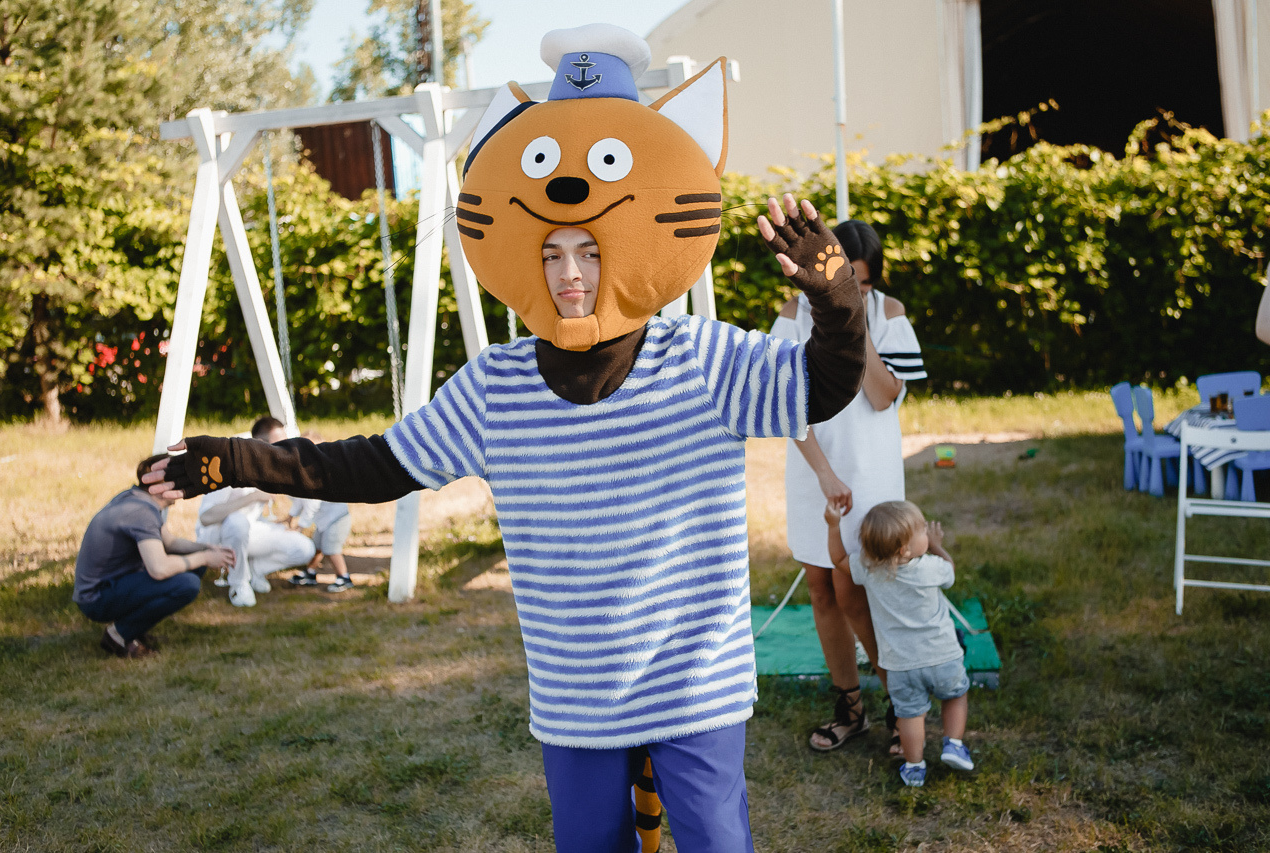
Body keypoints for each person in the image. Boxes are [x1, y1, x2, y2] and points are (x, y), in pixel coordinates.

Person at [145, 25, 867, 853]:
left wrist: (836, 295)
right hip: (578, 693)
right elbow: (375, 463)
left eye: (591, 250)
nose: (569, 273)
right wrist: (227, 457)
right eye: (553, 250)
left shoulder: (699, 358)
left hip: (693, 680)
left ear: (627, 244)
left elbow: (820, 385)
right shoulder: (500, 383)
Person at [770, 219, 927, 753]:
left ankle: (900, 701)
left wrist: (849, 323)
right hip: (817, 469)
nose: (854, 293)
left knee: (859, 588)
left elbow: (884, 396)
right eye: (844, 282)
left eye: (861, 285)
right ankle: (850, 707)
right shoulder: (791, 318)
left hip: (872, 471)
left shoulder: (889, 315)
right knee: (821, 587)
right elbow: (787, 407)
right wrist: (822, 472)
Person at [834, 500, 974, 787]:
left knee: (909, 715)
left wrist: (831, 524)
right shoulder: (930, 568)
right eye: (923, 530)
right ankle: (954, 744)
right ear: (904, 550)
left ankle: (913, 765)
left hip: (899, 666)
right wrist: (937, 545)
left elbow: (838, 560)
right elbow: (951, 570)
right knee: (955, 695)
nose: (927, 532)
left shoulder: (869, 570)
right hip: (943, 656)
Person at [74, 454, 236, 658]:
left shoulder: (135, 498)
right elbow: (159, 569)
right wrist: (205, 558)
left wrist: (206, 548)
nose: (186, 484)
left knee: (194, 565)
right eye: (181, 478)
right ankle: (118, 634)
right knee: (187, 584)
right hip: (96, 597)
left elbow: (170, 543)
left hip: (111, 583)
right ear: (160, 485)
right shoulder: (141, 512)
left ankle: (134, 629)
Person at [194, 416, 315, 607]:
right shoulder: (228, 466)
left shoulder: (270, 466)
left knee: (304, 548)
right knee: (237, 522)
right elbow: (206, 517)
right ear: (259, 444)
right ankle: (239, 583)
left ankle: (254, 570)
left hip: (249, 531)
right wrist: (252, 497)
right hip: (216, 536)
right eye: (279, 444)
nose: (284, 449)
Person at [285, 435, 356, 593]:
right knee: (316, 547)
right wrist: (290, 516)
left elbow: (312, 504)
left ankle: (344, 577)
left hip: (337, 520)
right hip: (325, 521)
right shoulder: (306, 472)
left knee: (331, 549)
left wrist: (300, 527)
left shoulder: (319, 474)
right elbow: (300, 500)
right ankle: (310, 573)